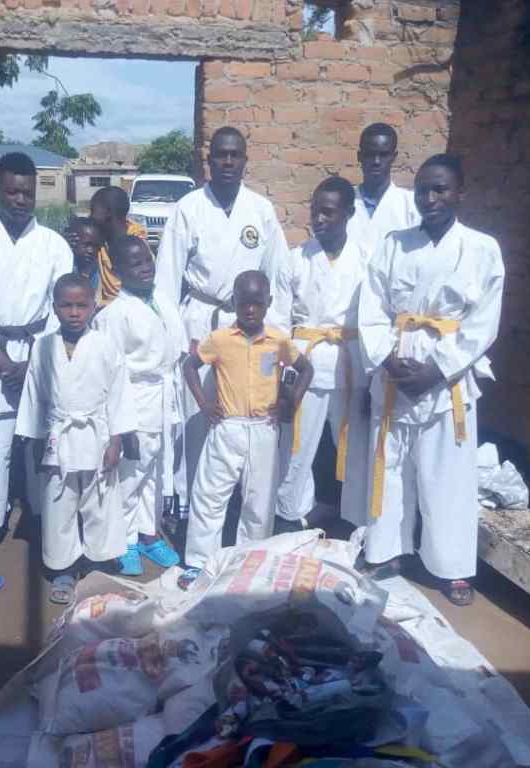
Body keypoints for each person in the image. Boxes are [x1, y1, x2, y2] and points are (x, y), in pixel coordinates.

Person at [358, 153, 504, 607]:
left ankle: (450, 566)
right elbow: (372, 306)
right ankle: (386, 551)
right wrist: (388, 358)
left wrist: (438, 369)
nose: (430, 198)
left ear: (460, 193)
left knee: (447, 475)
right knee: (390, 466)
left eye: (440, 189)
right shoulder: (394, 244)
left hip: (447, 377)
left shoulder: (482, 248)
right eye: (423, 189)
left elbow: (483, 321)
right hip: (397, 367)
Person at [155, 127, 290, 531]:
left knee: (246, 416)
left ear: (246, 160)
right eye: (220, 155)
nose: (228, 162)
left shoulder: (260, 210)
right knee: (200, 415)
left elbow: (279, 278)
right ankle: (190, 507)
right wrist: (177, 339)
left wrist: (276, 340)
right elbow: (167, 278)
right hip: (201, 318)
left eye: (235, 155)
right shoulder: (189, 208)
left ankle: (242, 507)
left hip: (250, 327)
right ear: (208, 160)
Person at [0, 152, 74, 550]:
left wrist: (34, 361)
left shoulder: (54, 244)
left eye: (27, 193)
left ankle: (43, 517)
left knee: (43, 441)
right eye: (12, 192)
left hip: (39, 349)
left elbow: (64, 308)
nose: (20, 200)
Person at [178, 271, 312, 590]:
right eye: (243, 303)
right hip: (227, 427)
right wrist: (204, 404)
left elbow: (306, 369)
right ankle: (199, 563)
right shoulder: (220, 339)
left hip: (264, 428)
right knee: (209, 497)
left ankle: (250, 562)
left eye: (257, 303)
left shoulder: (278, 341)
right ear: (234, 301)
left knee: (259, 502)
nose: (250, 309)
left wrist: (291, 403)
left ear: (269, 302)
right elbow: (189, 366)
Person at [15, 273, 136, 604]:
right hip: (58, 437)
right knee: (59, 505)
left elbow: (119, 394)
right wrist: (36, 441)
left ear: (93, 306)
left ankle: (98, 565)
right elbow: (34, 396)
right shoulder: (43, 346)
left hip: (97, 435)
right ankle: (64, 570)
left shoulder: (106, 345)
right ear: (54, 307)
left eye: (81, 306)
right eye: (66, 305)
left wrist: (116, 441)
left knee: (100, 503)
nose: (73, 313)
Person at [269, 177, 372, 534]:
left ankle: (356, 519)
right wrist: (282, 376)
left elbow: (376, 320)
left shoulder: (367, 260)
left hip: (351, 363)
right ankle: (289, 514)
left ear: (349, 214)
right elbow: (278, 321)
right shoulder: (295, 258)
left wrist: (374, 376)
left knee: (355, 446)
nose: (319, 219)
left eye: (328, 212)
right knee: (295, 447)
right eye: (315, 211)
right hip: (305, 363)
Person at [94, 235, 185, 576]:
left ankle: (148, 533)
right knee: (130, 475)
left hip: (164, 395)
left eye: (147, 260)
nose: (145, 268)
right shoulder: (114, 314)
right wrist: (122, 424)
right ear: (117, 272)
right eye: (135, 264)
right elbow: (110, 373)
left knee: (155, 472)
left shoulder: (161, 299)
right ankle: (125, 540)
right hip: (134, 399)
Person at [347, 123, 419, 255]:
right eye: (370, 154)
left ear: (394, 157)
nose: (376, 161)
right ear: (359, 156)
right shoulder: (344, 201)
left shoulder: (411, 205)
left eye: (384, 155)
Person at [90, 186, 150, 308]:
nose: (90, 216)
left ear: (107, 213)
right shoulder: (99, 242)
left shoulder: (138, 246)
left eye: (93, 211)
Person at [65, 216, 104, 298]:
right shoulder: (63, 266)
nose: (91, 251)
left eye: (96, 246)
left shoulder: (94, 270)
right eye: (87, 244)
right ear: (72, 240)